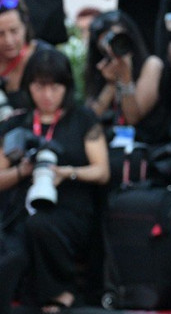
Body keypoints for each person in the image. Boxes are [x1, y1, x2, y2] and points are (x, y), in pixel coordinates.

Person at [0, 48, 110, 313]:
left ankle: (62, 293)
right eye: (40, 87)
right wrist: (23, 171)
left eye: (55, 87)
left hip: (71, 205)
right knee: (17, 240)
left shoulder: (83, 119)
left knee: (41, 225)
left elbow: (102, 171)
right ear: (29, 87)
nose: (47, 95)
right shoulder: (16, 123)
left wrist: (66, 172)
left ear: (66, 86)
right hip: (22, 206)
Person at [83, 10, 168, 149]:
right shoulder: (100, 69)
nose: (115, 45)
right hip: (107, 146)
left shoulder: (151, 65)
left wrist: (125, 78)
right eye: (107, 40)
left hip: (144, 147)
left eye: (118, 37)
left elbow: (132, 118)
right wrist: (110, 84)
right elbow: (90, 120)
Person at [0, 0, 51, 110]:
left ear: (25, 27)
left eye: (14, 31)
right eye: (0, 34)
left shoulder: (45, 57)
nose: (8, 40)